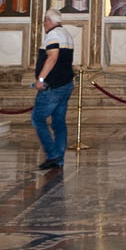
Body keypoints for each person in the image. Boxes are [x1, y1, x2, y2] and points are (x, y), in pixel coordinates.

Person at [34, 21, 76, 171]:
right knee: (59, 122)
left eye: (44, 21)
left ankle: (52, 155)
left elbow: (52, 57)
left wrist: (40, 79)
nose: (43, 24)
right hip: (66, 84)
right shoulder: (66, 34)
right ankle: (59, 157)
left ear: (49, 21)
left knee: (37, 119)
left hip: (53, 86)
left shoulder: (53, 34)